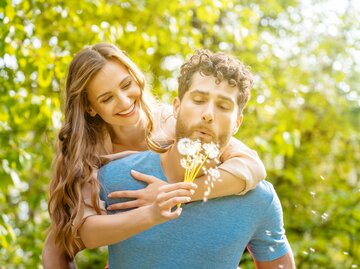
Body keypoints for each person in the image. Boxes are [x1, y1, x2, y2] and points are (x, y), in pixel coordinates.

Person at [42, 43, 266, 268]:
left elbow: (252, 166)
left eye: (126, 85)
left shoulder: (174, 121)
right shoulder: (86, 155)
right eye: (107, 98)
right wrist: (152, 212)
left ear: (136, 77)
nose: (124, 101)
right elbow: (76, 237)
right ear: (90, 108)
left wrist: (178, 194)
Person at [97, 49, 296, 268]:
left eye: (223, 106)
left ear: (237, 123)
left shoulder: (259, 200)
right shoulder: (113, 178)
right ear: (176, 107)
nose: (208, 114)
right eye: (199, 100)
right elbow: (66, 244)